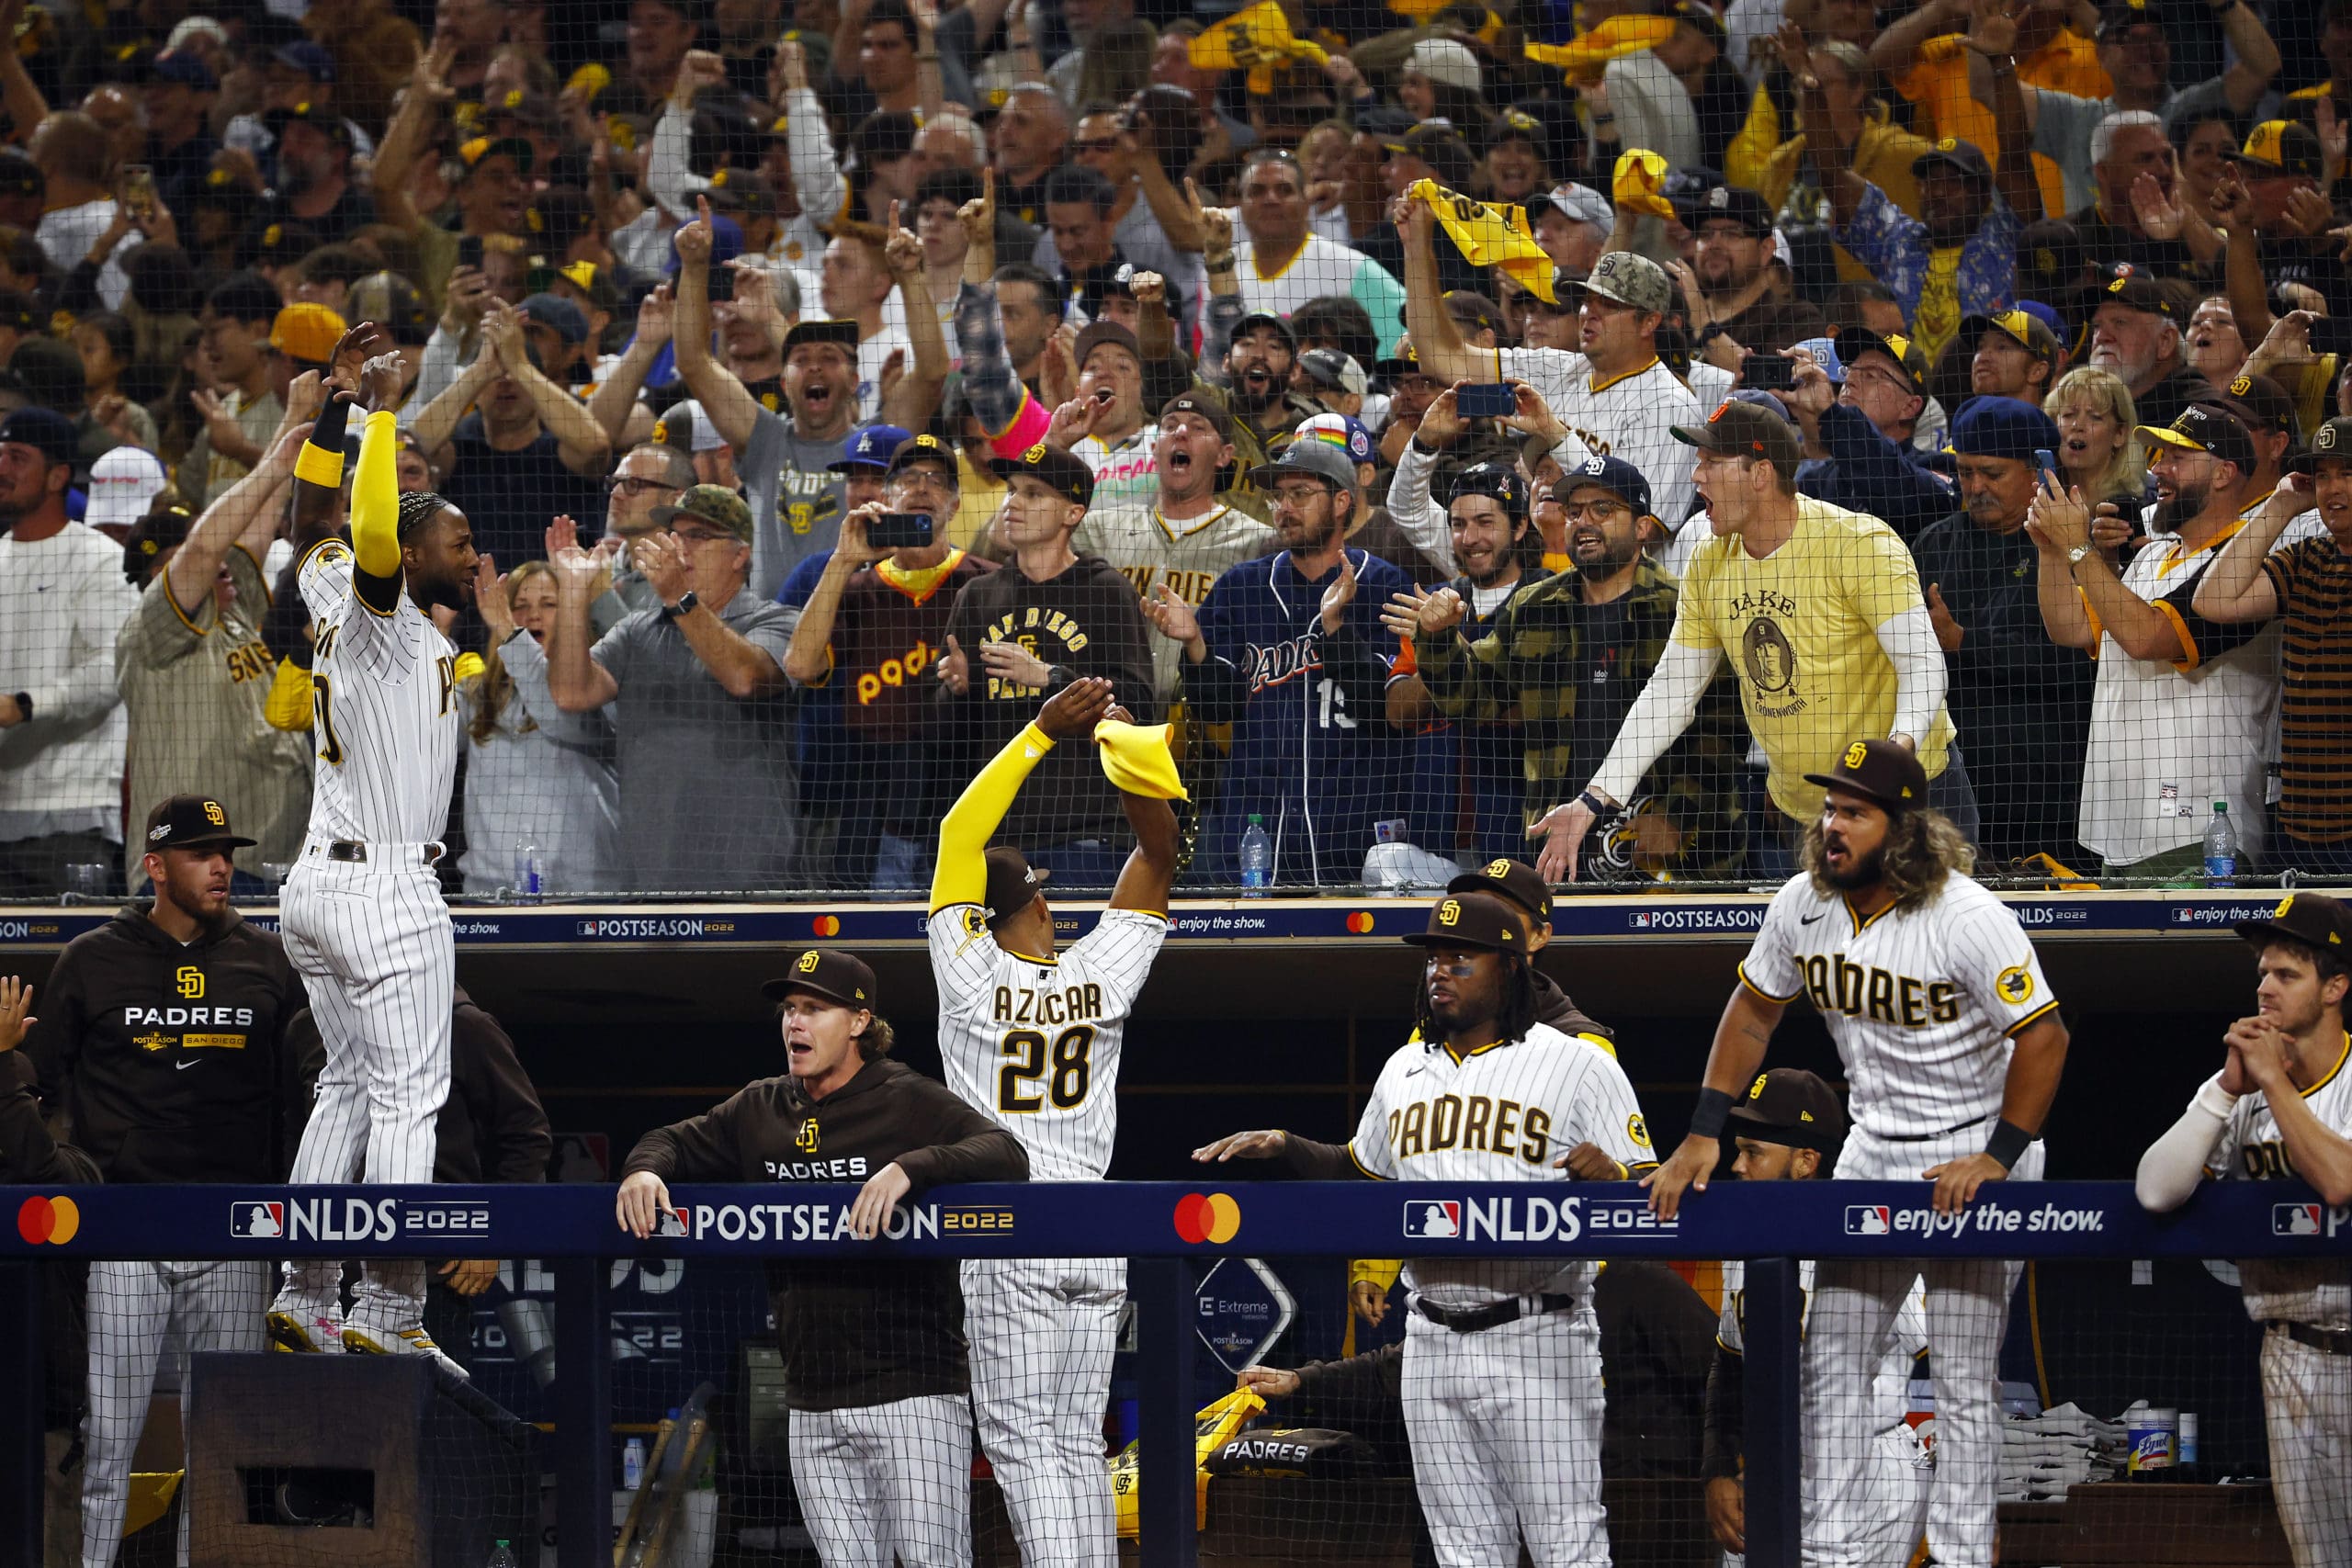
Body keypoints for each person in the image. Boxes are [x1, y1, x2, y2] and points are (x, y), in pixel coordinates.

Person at [1645, 738, 2070, 1568]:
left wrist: (1997, 1154)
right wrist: (1702, 1129)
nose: (1831, 825)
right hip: (1873, 1146)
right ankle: (1833, 1551)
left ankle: (1957, 1559)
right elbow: (1752, 1013)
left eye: (1854, 812)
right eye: (1829, 808)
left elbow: (2045, 1038)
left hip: (1973, 1150)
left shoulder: (1970, 916)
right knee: (1832, 1359)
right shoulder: (1802, 904)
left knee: (1962, 1379)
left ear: (1904, 828)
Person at [1192, 889, 1657, 1568]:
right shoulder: (1403, 1069)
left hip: (1539, 1332)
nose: (1440, 970)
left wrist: (1616, 1177)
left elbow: (1656, 1190)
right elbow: (1363, 1172)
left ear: (1509, 969)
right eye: (1434, 957)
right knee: (1464, 1552)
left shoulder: (1578, 1061)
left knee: (1568, 1547)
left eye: (1460, 958)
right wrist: (1286, 1143)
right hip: (1432, 1338)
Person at [617, 948, 1030, 1566]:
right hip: (810, 1396)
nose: (794, 1022)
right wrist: (645, 1171)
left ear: (860, 1022)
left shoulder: (907, 1098)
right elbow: (669, 1139)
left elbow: (1006, 1154)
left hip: (912, 1394)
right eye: (789, 1009)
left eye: (814, 1008)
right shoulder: (761, 1106)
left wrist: (912, 1166)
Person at [929, 677, 1180, 1568]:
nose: (1049, 898)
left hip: (1013, 1223)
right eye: (1038, 891)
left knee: (1028, 1446)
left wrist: (1039, 733)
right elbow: (1158, 854)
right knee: (1077, 1443)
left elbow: (960, 835)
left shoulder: (965, 977)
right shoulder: (1099, 972)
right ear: (1032, 909)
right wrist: (1121, 753)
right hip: (1094, 1227)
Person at [266, 326, 479, 1373]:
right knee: (405, 1098)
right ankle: (387, 1307)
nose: (472, 552)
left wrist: (334, 410)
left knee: (345, 1088)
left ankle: (306, 1293)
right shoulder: (385, 610)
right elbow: (370, 533)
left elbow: (310, 520)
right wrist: (385, 410)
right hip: (388, 881)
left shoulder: (331, 587)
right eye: (460, 539)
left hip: (313, 884)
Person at [23, 795, 304, 1568]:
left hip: (234, 1228)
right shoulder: (90, 959)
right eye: (200, 853)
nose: (222, 867)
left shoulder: (268, 960)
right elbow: (42, 1089)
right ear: (154, 864)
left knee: (222, 1443)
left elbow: (301, 1097)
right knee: (110, 1439)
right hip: (126, 1230)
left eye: (228, 852)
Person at [1535, 401, 1965, 884]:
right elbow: (1671, 692)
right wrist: (1595, 798)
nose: (1697, 476)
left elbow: (1923, 664)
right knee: (1825, 958)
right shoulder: (1708, 562)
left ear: (1761, 472)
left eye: (1712, 463)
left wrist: (1893, 759)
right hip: (1806, 814)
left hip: (1911, 801)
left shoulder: (1861, 544)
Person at [1396, 453, 1744, 883]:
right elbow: (1472, 699)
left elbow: (1725, 726)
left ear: (1641, 527)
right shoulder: (1535, 607)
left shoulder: (1682, 606)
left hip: (1677, 855)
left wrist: (1676, 814)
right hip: (1560, 852)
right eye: (1574, 511)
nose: (1583, 522)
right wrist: (1437, 638)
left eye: (1603, 509)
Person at [2136, 892, 2352, 1568]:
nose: (2264, 986)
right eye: (2262, 972)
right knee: (2318, 1556)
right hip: (2292, 1349)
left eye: (2287, 973)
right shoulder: (2244, 1089)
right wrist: (2228, 1089)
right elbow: (2156, 1188)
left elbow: (2341, 1180)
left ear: (2337, 985)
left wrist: (2273, 1085)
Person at [1144, 440, 1410, 885]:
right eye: (1278, 496)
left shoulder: (1384, 585)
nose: (1284, 507)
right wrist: (1194, 645)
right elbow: (1218, 709)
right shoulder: (1240, 588)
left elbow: (1384, 705)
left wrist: (1335, 632)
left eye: (1300, 494)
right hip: (1255, 828)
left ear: (1342, 501)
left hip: (1357, 827)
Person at [2030, 401, 2277, 875]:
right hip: (2122, 825)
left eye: (2176, 457)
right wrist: (2051, 550)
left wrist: (2079, 549)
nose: (2157, 469)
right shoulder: (2151, 557)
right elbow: (2071, 628)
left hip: (2201, 827)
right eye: (2159, 456)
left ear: (2224, 473)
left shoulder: (2246, 564)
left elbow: (2149, 639)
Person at [1699, 1068, 1931, 1567]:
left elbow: (1949, 1364)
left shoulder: (1865, 1243)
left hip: (1869, 1468)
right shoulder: (1741, 1241)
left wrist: (1967, 1500)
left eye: (1753, 1152)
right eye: (1738, 1149)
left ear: (1805, 1162)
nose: (1737, 1166)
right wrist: (1717, 1470)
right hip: (1772, 1463)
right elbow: (1729, 1364)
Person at [543, 488, 803, 893]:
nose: (680, 547)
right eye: (674, 535)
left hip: (750, 876)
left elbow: (745, 678)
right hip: (649, 873)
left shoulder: (777, 621)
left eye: (697, 536)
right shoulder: (636, 630)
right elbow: (571, 693)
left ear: (740, 555)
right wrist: (574, 591)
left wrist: (679, 598)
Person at [1398, 199, 1705, 530]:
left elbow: (1643, 529)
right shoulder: (1556, 369)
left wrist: (1556, 436)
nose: (1590, 313)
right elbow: (1440, 356)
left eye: (1609, 305)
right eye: (1588, 301)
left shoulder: (1670, 405)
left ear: (1649, 323)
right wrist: (1417, 246)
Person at [288, 983, 550, 1371]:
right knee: (321, 1426)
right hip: (325, 1283)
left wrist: (492, 1238)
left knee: (426, 1427)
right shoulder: (310, 1024)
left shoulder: (460, 1023)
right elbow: (292, 1140)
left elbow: (526, 1136)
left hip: (426, 1282)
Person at [935, 443, 1159, 886]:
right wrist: (954, 692)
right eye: (1012, 491)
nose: (1013, 504)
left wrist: (1048, 678)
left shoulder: (1108, 591)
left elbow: (1139, 708)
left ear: (1072, 514)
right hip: (998, 834)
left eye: (1033, 494)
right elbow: (949, 739)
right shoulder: (977, 596)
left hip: (1089, 834)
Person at [113, 408, 315, 895]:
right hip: (192, 872)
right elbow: (203, 550)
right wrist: (272, 463)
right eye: (189, 562)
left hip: (270, 869)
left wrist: (292, 418)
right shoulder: (155, 627)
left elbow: (257, 522)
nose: (214, 561)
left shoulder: (235, 608)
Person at [784, 435, 995, 891]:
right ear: (888, 497)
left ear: (956, 505)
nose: (922, 488)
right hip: (869, 789)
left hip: (960, 777)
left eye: (937, 480)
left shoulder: (985, 581)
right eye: (908, 478)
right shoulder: (855, 588)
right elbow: (799, 666)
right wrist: (842, 561)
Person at [1799, 4, 2040, 367]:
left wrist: (2002, 68)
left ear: (1981, 194)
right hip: (1904, 397)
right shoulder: (1898, 242)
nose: (1938, 192)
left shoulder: (2005, 234)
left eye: (1953, 183)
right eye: (1929, 183)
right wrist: (1813, 94)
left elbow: (2016, 155)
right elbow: (1833, 175)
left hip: (1987, 392)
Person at [1913, 398, 2097, 865]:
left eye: (1992, 474)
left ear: (2039, 471)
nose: (1975, 487)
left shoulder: (2076, 543)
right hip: (1953, 783)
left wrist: (1965, 644)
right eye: (1965, 472)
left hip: (2047, 784)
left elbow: (2078, 663)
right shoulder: (1935, 542)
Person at [2192, 416, 2352, 879]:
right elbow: (2213, 600)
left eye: (2347, 473)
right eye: (2322, 476)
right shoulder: (2308, 558)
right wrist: (2281, 506)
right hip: (2299, 822)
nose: (2331, 488)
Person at [0, 406, 139, 897]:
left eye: (17, 457)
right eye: (0, 454)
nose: (2, 467)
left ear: (59, 474)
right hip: (2, 808)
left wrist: (23, 704)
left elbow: (115, 670)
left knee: (74, 971)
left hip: (70, 816)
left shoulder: (99, 559)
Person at [1071, 393, 1277, 705]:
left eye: (1197, 427)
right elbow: (1014, 535)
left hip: (1206, 729)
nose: (1181, 432)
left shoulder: (1256, 543)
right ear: (1154, 448)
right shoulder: (1101, 528)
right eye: (1170, 426)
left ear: (1225, 455)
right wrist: (1055, 440)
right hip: (1110, 723)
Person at [405, 300, 613, 569]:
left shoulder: (563, 451)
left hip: (555, 595)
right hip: (469, 598)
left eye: (514, 375)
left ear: (538, 383)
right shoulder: (459, 453)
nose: (505, 382)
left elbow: (597, 446)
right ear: (476, 390)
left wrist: (521, 365)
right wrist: (480, 370)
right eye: (496, 377)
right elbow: (412, 446)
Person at [463, 558, 620, 896]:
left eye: (549, 604)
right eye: (519, 606)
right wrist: (438, 633)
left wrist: (510, 632)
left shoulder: (599, 688)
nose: (533, 615)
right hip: (491, 896)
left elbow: (561, 711)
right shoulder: (474, 696)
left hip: (582, 898)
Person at [1229, 151, 1405, 358]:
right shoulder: (1221, 268)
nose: (1270, 199)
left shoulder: (1351, 267)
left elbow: (1407, 340)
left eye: (1284, 190)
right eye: (1256, 191)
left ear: (1305, 201)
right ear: (1240, 204)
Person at [2086, 267, 2213, 433]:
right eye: (2097, 326)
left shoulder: (2200, 416)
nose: (2101, 337)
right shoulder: (2081, 410)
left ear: (2165, 341)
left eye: (2120, 322)